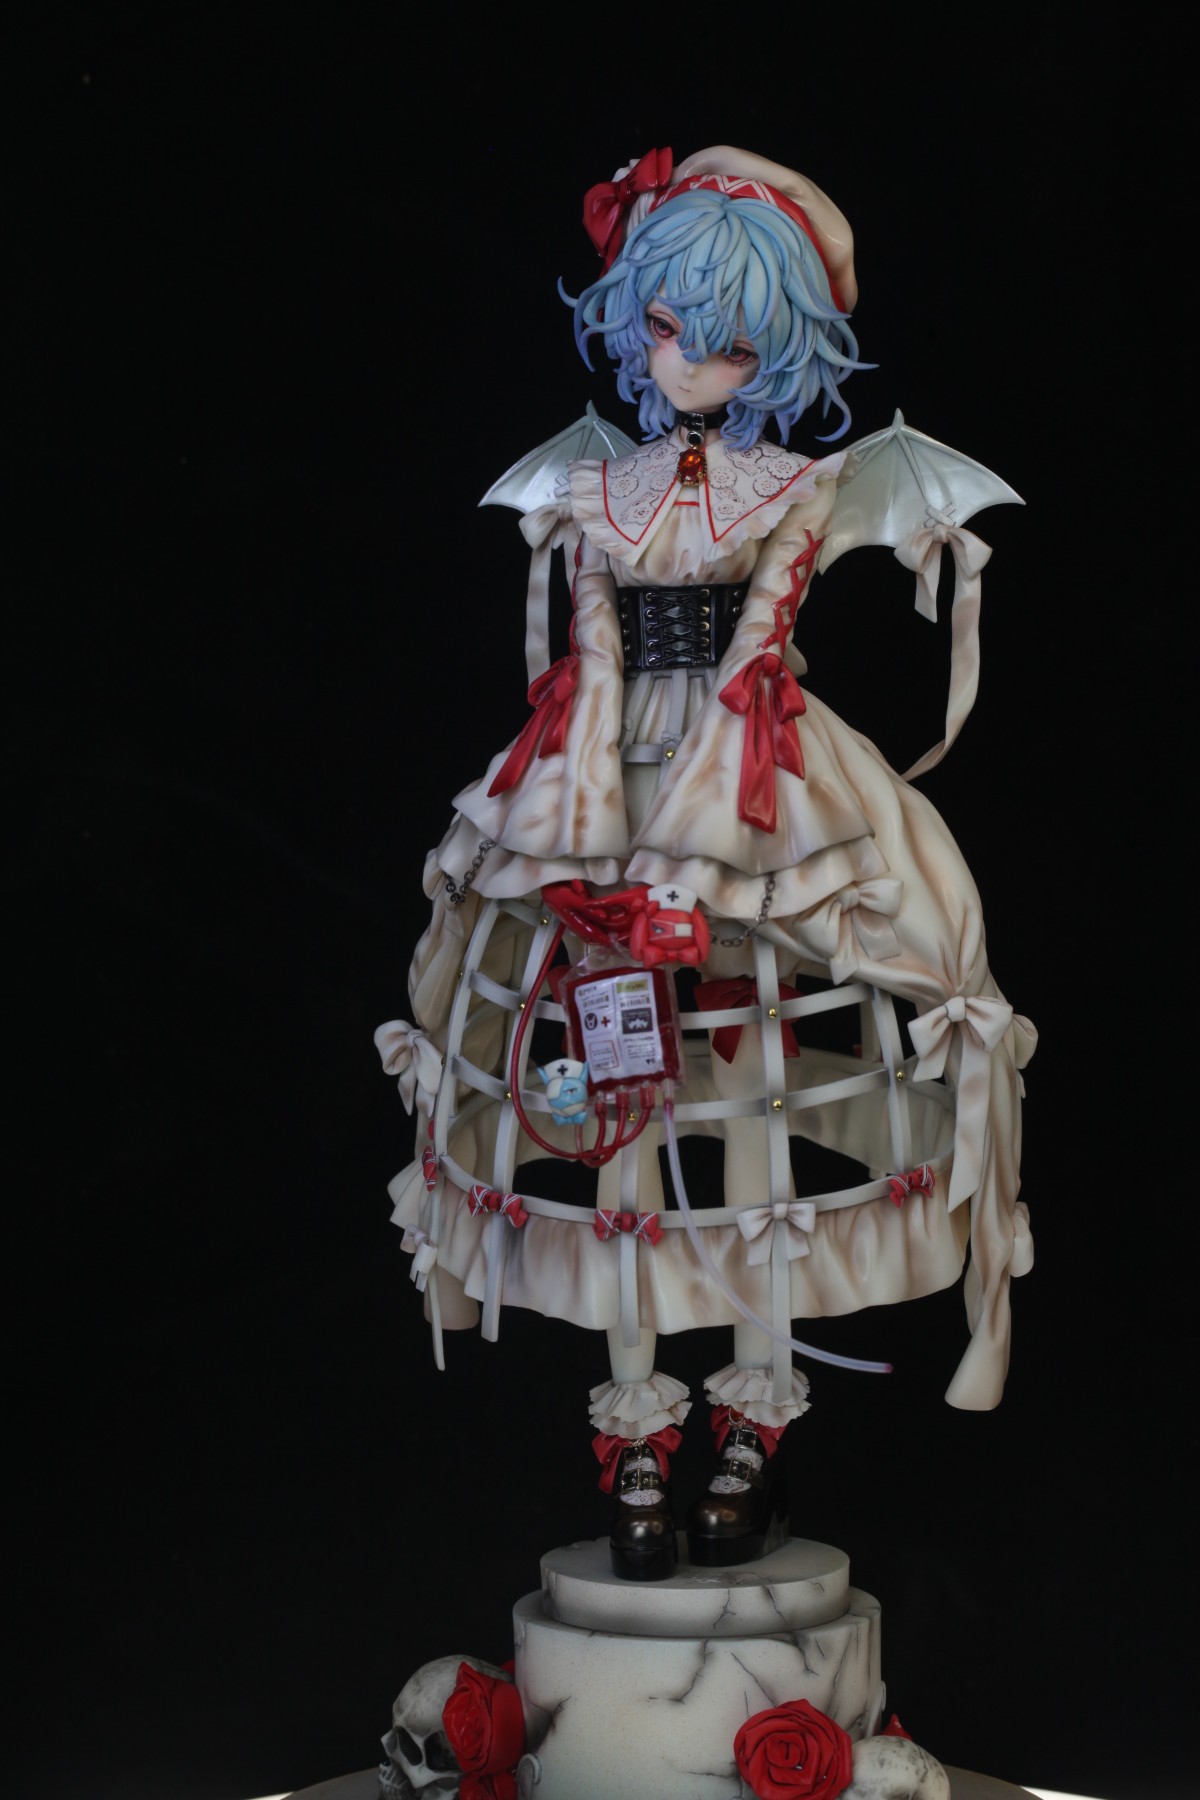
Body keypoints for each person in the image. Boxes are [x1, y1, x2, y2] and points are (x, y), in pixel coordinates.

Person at [377, 146, 1034, 1581]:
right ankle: (635, 1436)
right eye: (669, 326)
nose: (688, 360)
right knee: (619, 1082)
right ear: (632, 325)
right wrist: (580, 828)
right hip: (608, 762)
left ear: (778, 351)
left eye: (728, 339)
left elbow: (757, 656)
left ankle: (751, 1426)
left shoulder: (795, 486)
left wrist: (689, 857)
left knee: (751, 1076)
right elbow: (592, 658)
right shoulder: (595, 488)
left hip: (751, 773)